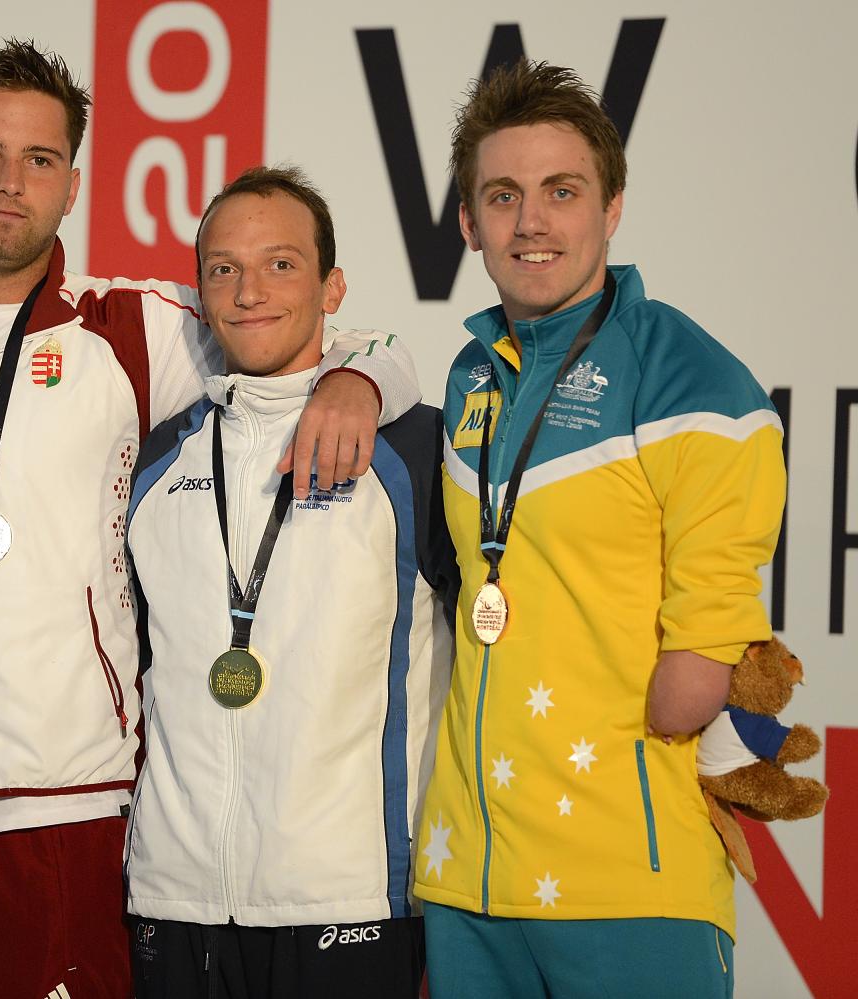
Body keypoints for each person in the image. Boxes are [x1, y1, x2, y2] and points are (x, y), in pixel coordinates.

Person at [0, 41, 418, 999]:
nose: (11, 183)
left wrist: (354, 381)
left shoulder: (131, 332)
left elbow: (310, 327)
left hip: (70, 811)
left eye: (40, 160)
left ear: (73, 184)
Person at [415, 60, 785, 998]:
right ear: (467, 223)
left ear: (612, 206)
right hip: (469, 873)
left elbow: (698, 668)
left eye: (561, 191)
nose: (530, 222)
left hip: (627, 879)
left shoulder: (689, 377)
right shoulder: (470, 375)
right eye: (502, 196)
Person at [122, 165, 458, 998]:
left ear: (332, 284)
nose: (248, 292)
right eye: (223, 269)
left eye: (281, 264)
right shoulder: (155, 459)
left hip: (350, 896)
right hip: (175, 895)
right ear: (199, 295)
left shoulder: (413, 449)